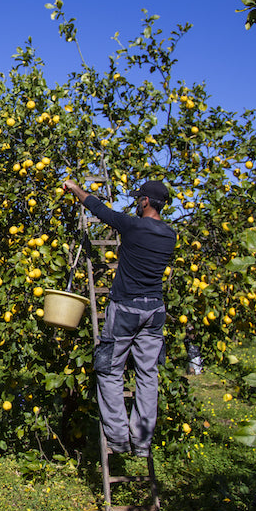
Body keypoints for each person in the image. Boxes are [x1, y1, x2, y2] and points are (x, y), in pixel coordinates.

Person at [63, 178, 177, 457]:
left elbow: (99, 208)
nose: (137, 203)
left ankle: (118, 437)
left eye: (140, 199)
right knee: (148, 375)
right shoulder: (170, 234)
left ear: (146, 201)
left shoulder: (133, 226)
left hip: (126, 308)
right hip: (155, 311)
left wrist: (75, 187)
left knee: (109, 370)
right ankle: (142, 441)